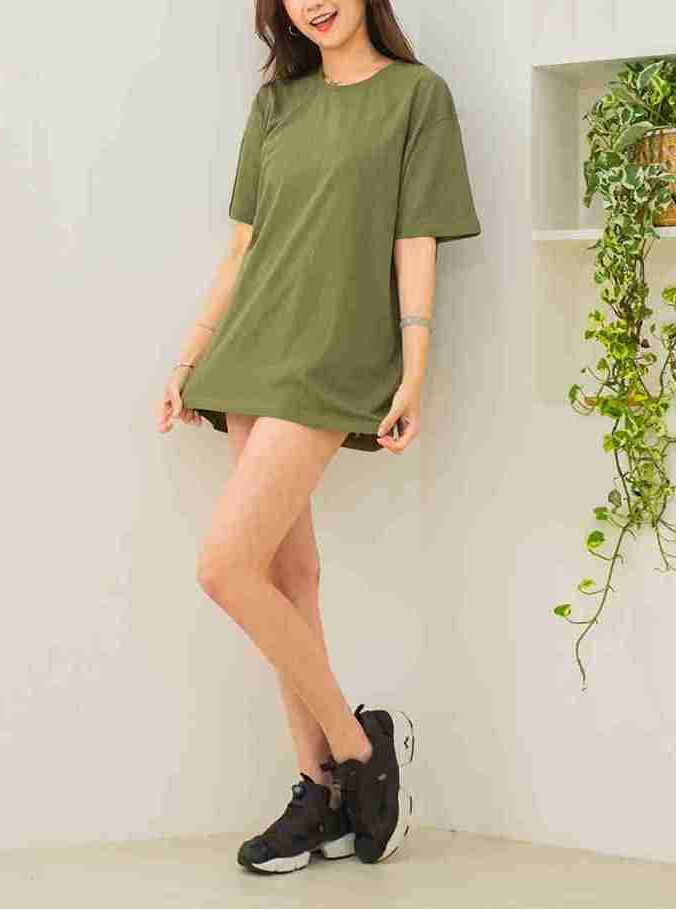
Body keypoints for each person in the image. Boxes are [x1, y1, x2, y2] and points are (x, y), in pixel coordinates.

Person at [155, 0, 481, 874]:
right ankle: (321, 794)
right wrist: (187, 355)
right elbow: (243, 249)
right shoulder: (277, 105)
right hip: (250, 350)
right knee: (283, 576)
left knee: (223, 567)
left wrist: (414, 369)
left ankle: (360, 748)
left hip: (331, 359)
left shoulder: (415, 96)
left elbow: (415, 240)